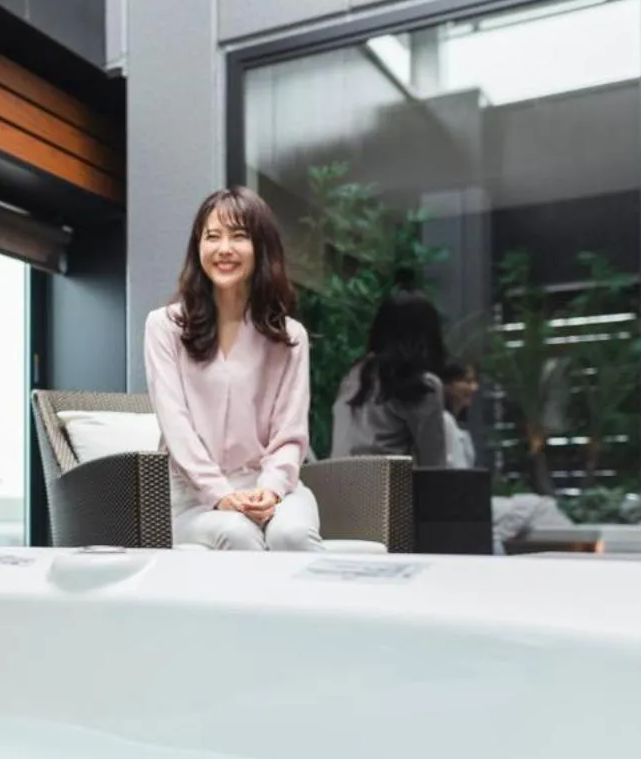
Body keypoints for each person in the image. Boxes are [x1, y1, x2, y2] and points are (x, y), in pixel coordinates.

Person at [144, 186, 324, 553]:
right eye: (213, 236)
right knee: (238, 533)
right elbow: (176, 428)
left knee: (291, 535)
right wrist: (220, 495)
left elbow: (290, 435)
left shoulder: (290, 337)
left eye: (239, 236)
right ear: (198, 247)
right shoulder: (164, 327)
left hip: (270, 486)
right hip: (189, 497)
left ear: (261, 249)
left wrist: (271, 489)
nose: (224, 248)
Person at [330, 289, 453, 468]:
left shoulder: (355, 376)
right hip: (385, 490)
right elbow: (433, 468)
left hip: (337, 488)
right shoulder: (420, 386)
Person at [439, 360, 480, 470]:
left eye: (474, 381)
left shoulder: (456, 424)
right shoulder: (444, 421)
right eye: (467, 381)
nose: (474, 387)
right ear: (447, 385)